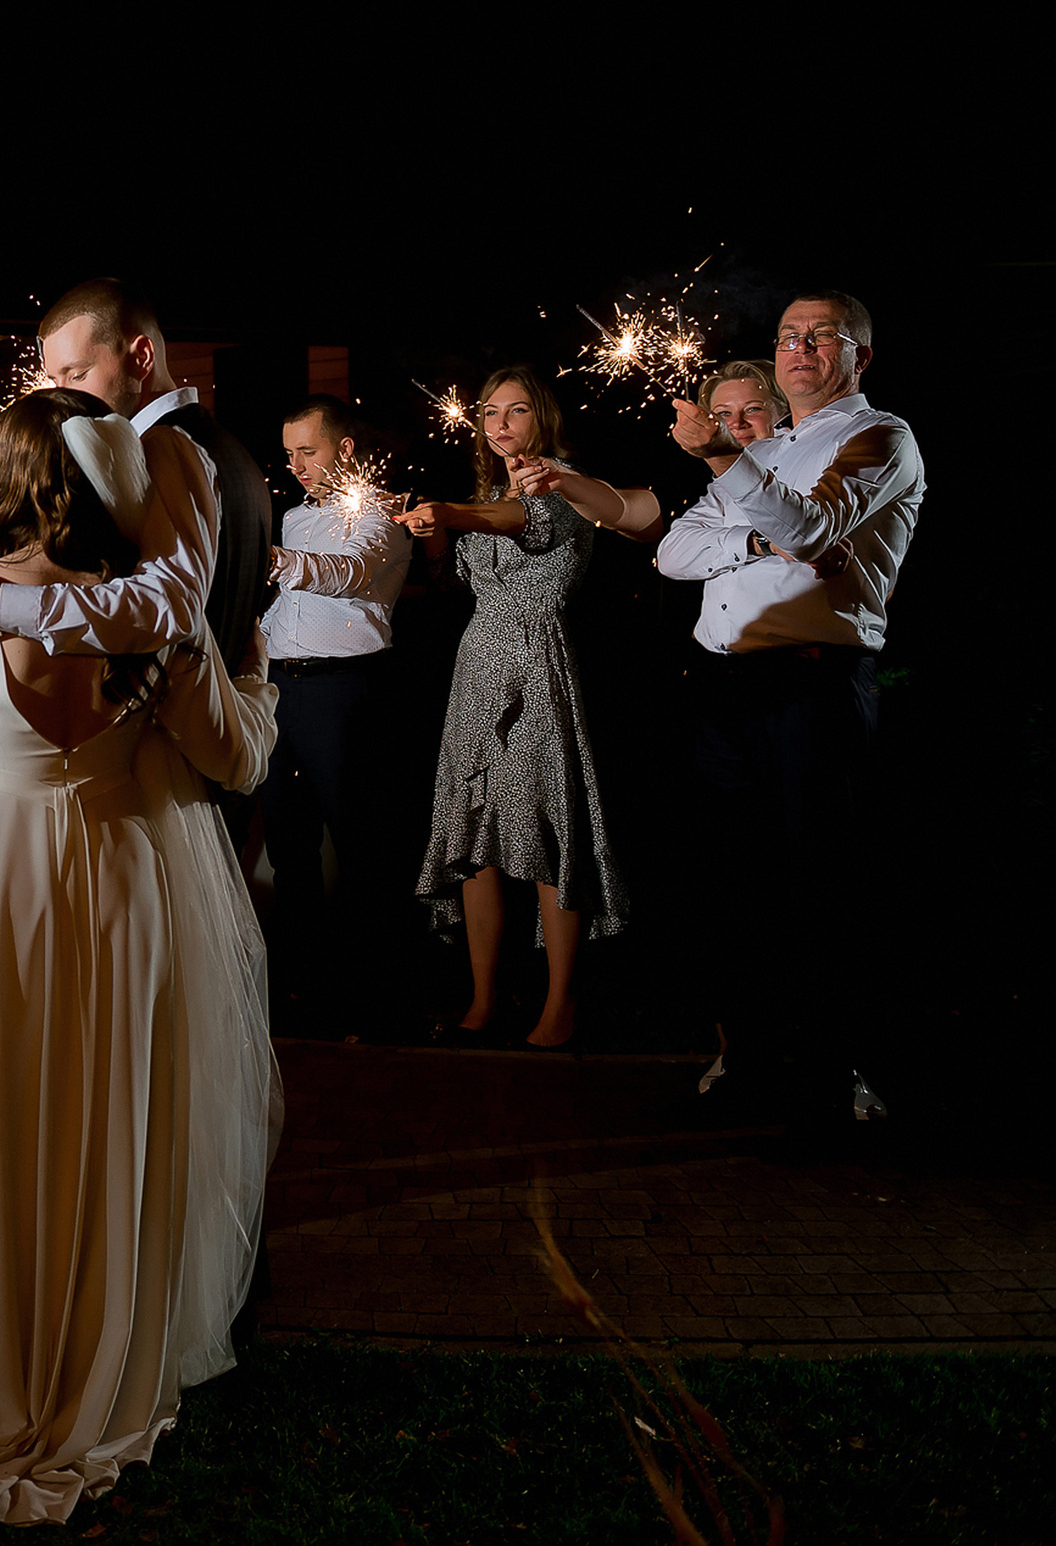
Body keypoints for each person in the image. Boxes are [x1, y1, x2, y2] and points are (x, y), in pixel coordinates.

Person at [0, 390, 279, 1526]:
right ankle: (101, 1345)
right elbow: (233, 757)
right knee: (113, 1107)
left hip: (4, 871)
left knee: (2, 1105)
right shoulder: (149, 614)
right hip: (126, 868)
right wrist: (252, 684)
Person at [655, 294, 924, 1121]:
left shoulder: (878, 438)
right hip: (728, 689)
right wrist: (748, 532)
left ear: (860, 355)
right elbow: (673, 550)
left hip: (814, 684)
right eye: (785, 336)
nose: (798, 347)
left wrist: (726, 469)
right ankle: (747, 1059)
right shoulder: (763, 448)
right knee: (737, 884)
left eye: (819, 336)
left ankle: (836, 1071)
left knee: (820, 880)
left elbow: (810, 529)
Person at [395, 366, 628, 1048]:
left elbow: (518, 521)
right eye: (489, 411)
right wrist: (426, 525)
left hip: (537, 660)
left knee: (549, 824)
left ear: (543, 419)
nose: (499, 423)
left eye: (517, 409)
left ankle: (560, 1004)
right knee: (473, 836)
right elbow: (463, 557)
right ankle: (482, 1000)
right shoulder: (485, 491)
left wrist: (453, 514)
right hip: (476, 664)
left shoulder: (561, 485)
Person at [0, 280, 273, 678]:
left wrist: (2, 607)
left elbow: (170, 603)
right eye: (55, 379)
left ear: (142, 357)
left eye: (77, 374)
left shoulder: (164, 445)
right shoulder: (230, 449)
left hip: (168, 727)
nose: (61, 395)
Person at [259, 395, 412, 983]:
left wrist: (268, 558)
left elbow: (345, 574)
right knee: (288, 843)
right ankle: (303, 976)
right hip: (280, 690)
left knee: (359, 841)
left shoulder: (381, 515)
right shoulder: (296, 516)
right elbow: (290, 605)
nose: (296, 464)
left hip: (342, 691)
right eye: (289, 453)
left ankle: (369, 978)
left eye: (307, 450)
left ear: (344, 449)